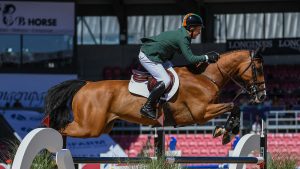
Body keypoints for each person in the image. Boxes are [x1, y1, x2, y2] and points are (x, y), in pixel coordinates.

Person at [138, 13, 220, 119]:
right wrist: (207, 57)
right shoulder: (183, 37)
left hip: (160, 57)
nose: (199, 32)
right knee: (166, 80)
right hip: (149, 56)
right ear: (191, 28)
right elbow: (190, 58)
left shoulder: (184, 34)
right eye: (199, 29)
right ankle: (147, 107)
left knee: (176, 74)